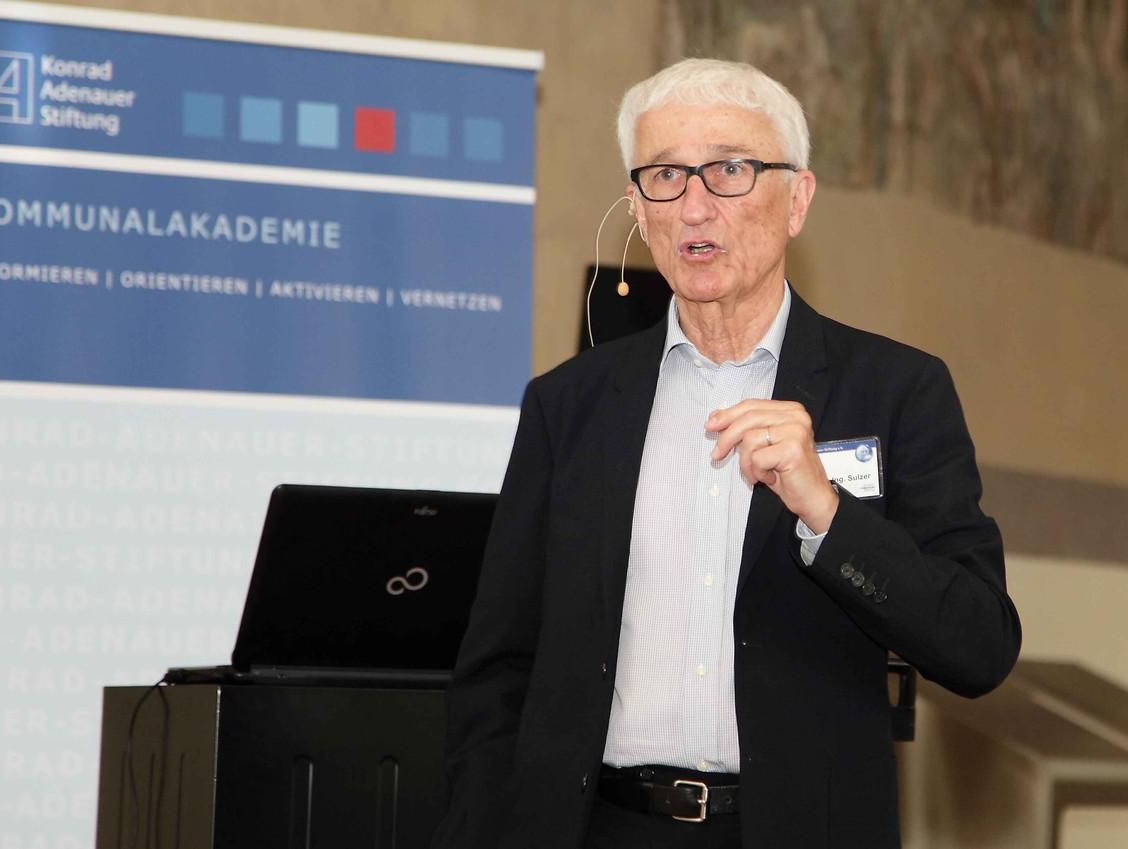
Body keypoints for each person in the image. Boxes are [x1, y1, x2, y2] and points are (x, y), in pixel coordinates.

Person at [431, 58, 1021, 849]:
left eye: (731, 170)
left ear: (797, 200)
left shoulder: (896, 390)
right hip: (598, 826)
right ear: (638, 210)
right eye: (665, 175)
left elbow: (980, 643)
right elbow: (497, 671)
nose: (695, 205)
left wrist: (827, 513)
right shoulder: (567, 405)